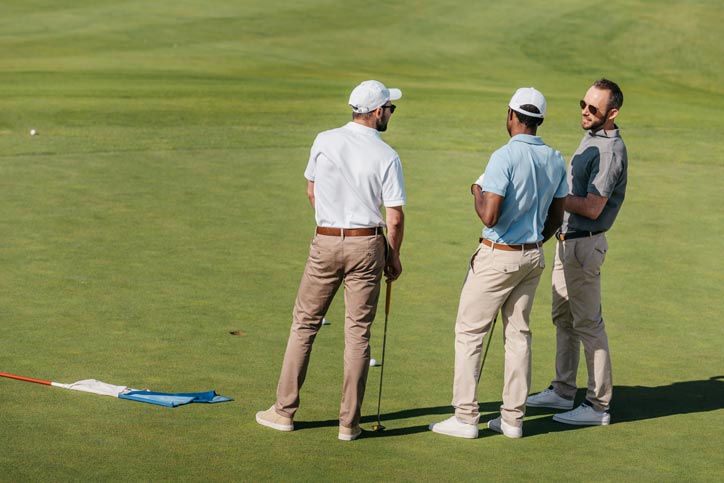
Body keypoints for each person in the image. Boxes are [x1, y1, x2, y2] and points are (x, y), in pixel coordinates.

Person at [256, 80, 406, 441]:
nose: (390, 113)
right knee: (357, 334)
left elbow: (311, 189)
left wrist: (330, 222)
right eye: (389, 108)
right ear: (375, 112)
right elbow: (395, 217)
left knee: (304, 324)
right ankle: (348, 425)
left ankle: (284, 412)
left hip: (325, 241)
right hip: (367, 244)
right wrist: (394, 255)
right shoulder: (387, 155)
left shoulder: (324, 139)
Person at [429, 87, 567, 439]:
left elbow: (489, 216)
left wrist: (476, 191)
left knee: (470, 333)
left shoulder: (503, 156)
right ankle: (512, 420)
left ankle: (464, 417)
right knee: (518, 336)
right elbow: (557, 213)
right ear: (539, 121)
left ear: (510, 115)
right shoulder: (554, 157)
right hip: (533, 256)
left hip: (498, 256)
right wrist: (535, 239)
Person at [526, 78, 627, 426]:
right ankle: (563, 390)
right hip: (568, 242)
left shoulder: (610, 152)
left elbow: (594, 207)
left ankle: (598, 406)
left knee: (588, 324)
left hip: (585, 246)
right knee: (564, 319)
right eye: (582, 104)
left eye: (593, 109)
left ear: (611, 113)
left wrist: (551, 194)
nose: (584, 112)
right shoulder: (593, 135)